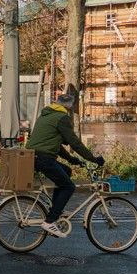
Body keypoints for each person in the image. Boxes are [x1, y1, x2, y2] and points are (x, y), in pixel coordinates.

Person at [22, 86, 104, 237]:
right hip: (44, 159)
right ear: (69, 106)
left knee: (66, 171)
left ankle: (56, 209)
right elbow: (75, 143)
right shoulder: (62, 118)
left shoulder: (46, 115)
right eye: (71, 107)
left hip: (34, 156)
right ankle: (50, 221)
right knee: (69, 187)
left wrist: (72, 160)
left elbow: (55, 145)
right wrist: (93, 159)